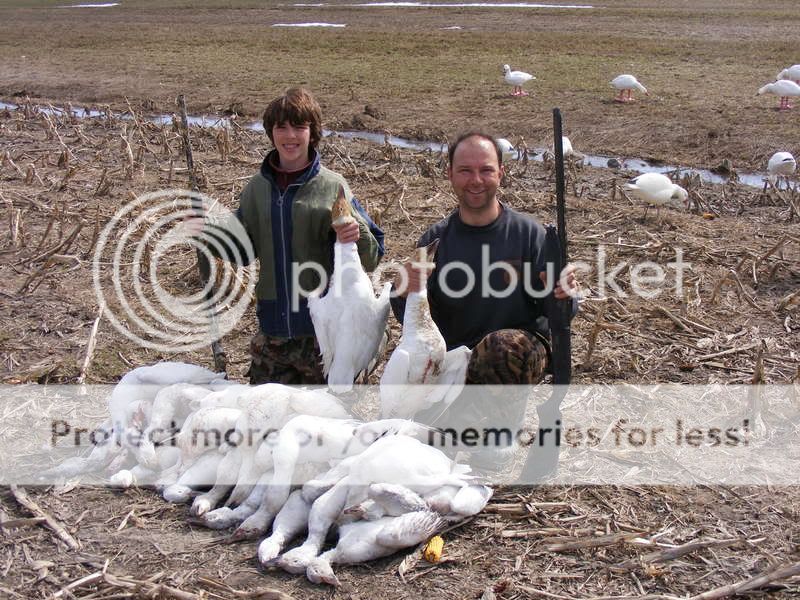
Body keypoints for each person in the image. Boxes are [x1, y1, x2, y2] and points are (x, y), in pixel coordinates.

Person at [390, 131, 579, 472]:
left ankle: (500, 430)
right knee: (420, 452)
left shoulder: (530, 235)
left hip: (509, 357)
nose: (476, 180)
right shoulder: (435, 240)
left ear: (500, 174)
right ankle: (455, 422)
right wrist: (405, 289)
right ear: (449, 174)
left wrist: (563, 293)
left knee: (500, 346)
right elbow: (411, 321)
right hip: (456, 364)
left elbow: (560, 316)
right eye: (465, 170)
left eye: (486, 170)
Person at [197, 87, 382, 385]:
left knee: (330, 424)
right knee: (266, 424)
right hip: (272, 337)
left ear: (313, 132)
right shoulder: (256, 189)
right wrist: (207, 232)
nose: (290, 136)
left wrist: (355, 236)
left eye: (299, 127)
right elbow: (242, 251)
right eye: (281, 127)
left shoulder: (334, 187)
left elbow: (372, 258)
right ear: (271, 133)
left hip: (326, 338)